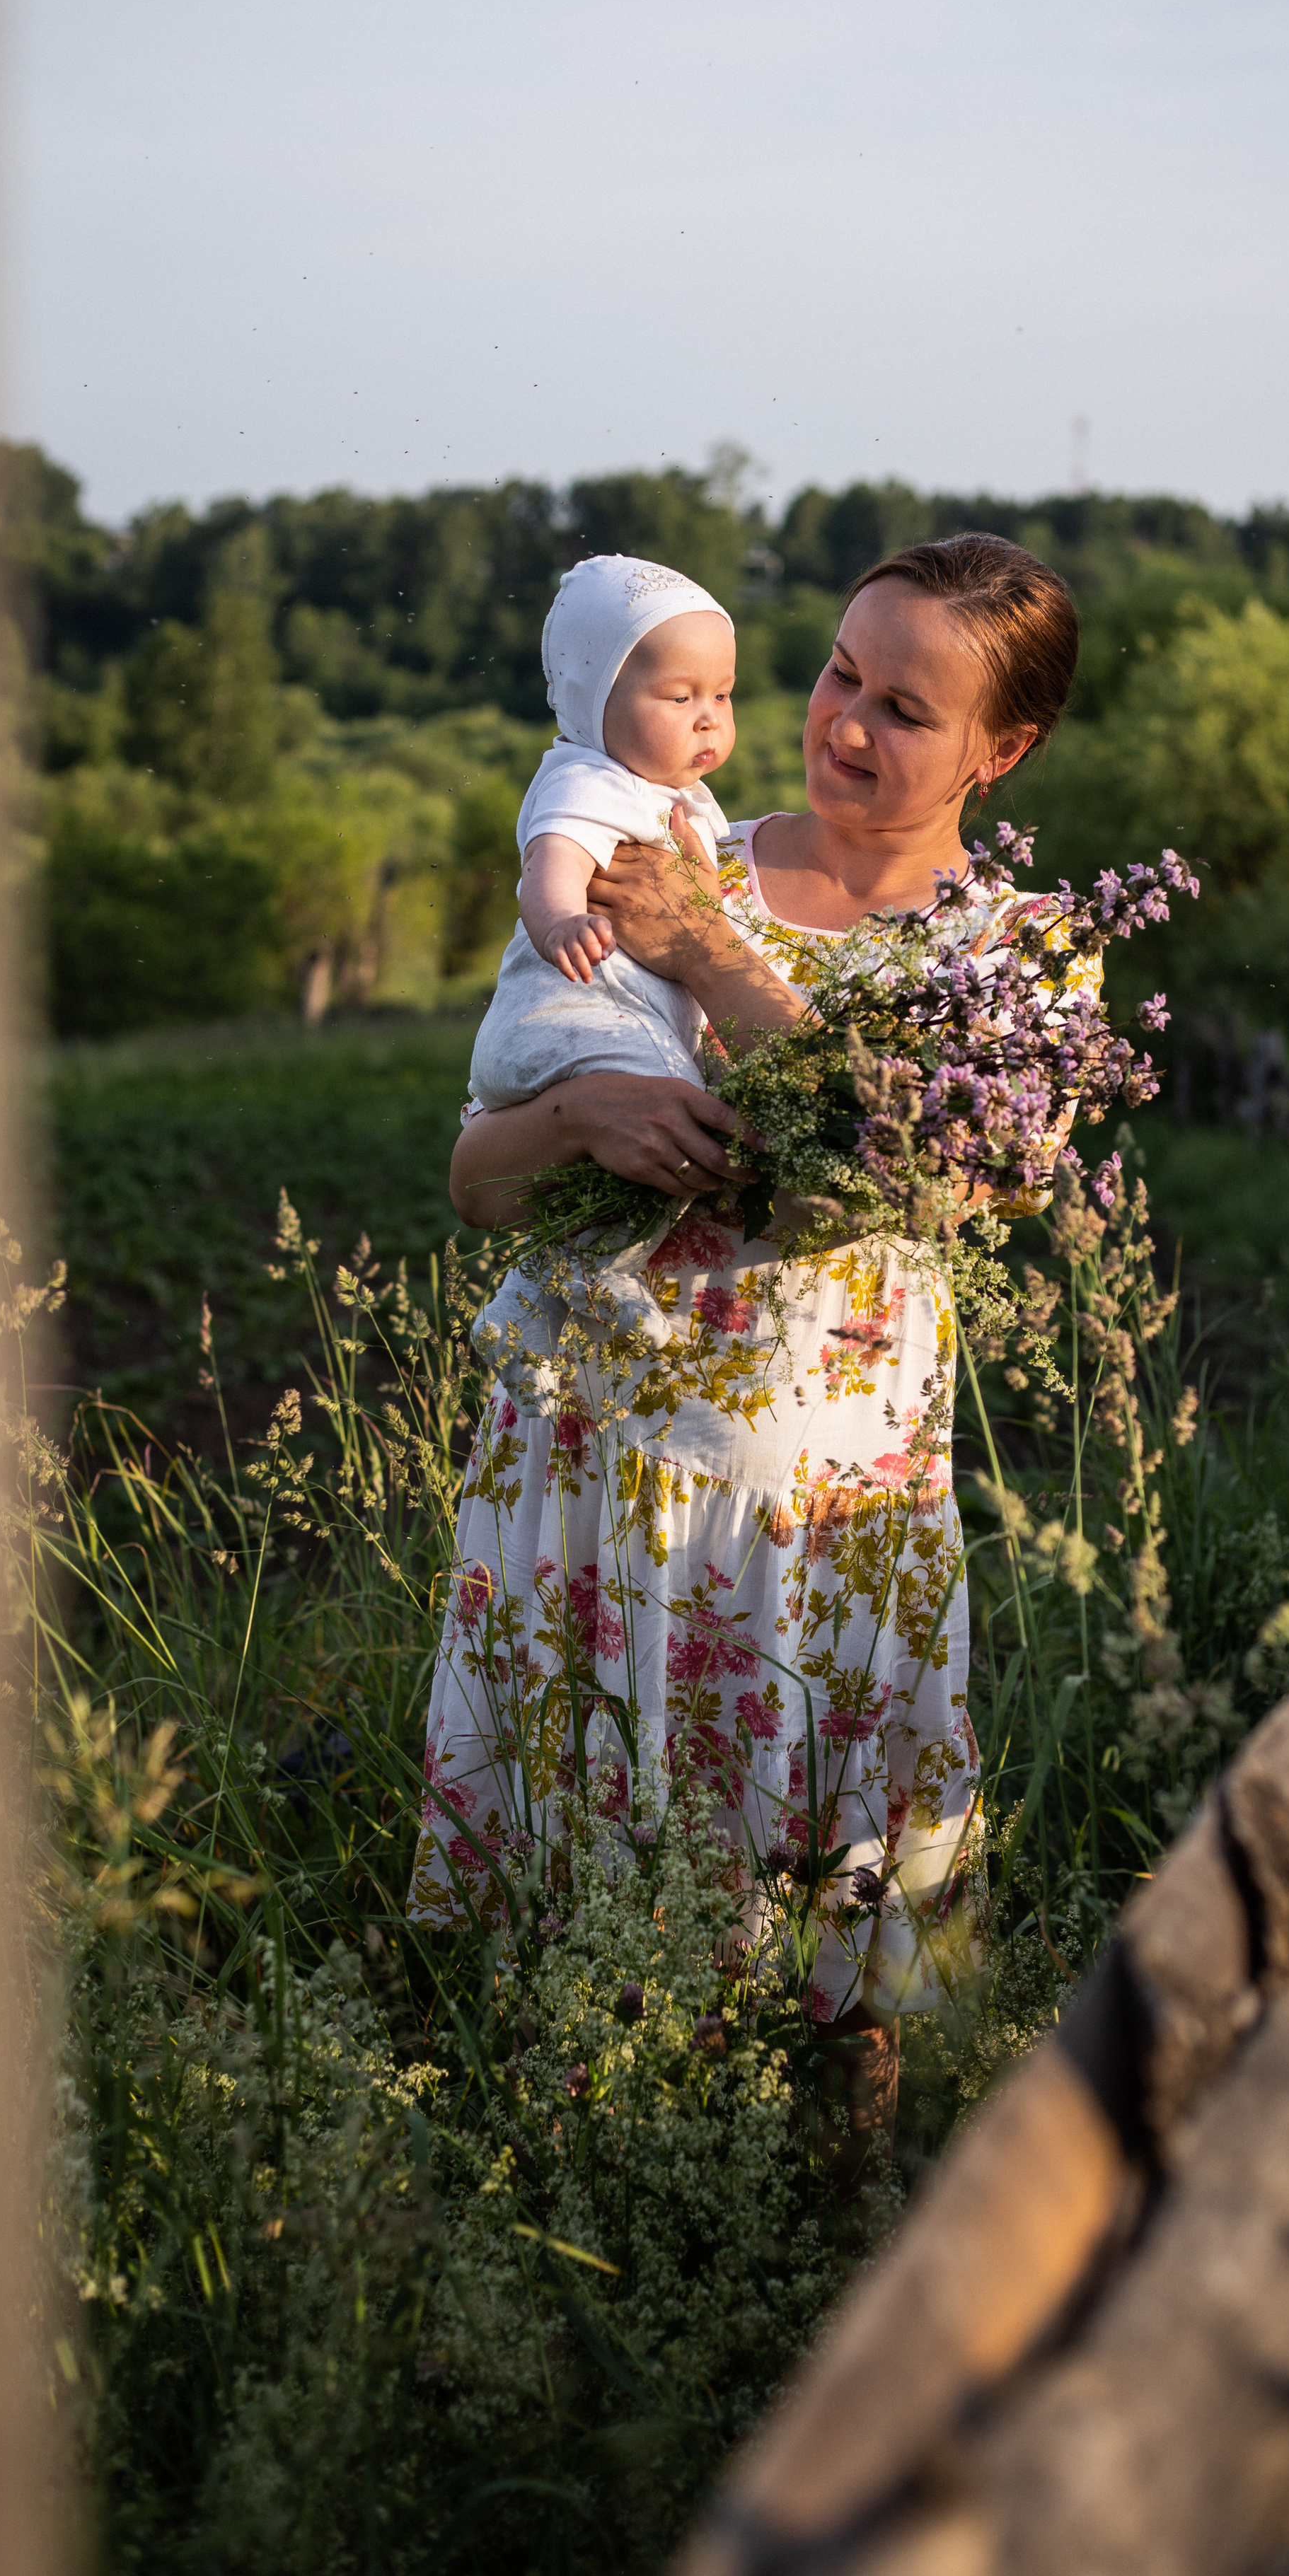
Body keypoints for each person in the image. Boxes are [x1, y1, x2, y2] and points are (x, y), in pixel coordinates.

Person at [413, 533, 1086, 2165]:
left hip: (819, 1524)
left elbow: (957, 1169)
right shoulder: (662, 830)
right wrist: (579, 1106)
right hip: (586, 1463)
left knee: (838, 1976)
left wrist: (711, 956)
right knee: (576, 1932)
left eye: (904, 708)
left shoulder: (1017, 954)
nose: (842, 722)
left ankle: (831, 2253)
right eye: (839, 672)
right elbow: (475, 1177)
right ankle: (578, 2213)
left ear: (998, 751)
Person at [467, 554, 739, 1113]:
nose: (708, 717)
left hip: (628, 1023)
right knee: (682, 1111)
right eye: (680, 697)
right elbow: (552, 865)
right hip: (571, 1015)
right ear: (594, 701)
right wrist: (562, 924)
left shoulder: (673, 797)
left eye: (722, 694)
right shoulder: (589, 783)